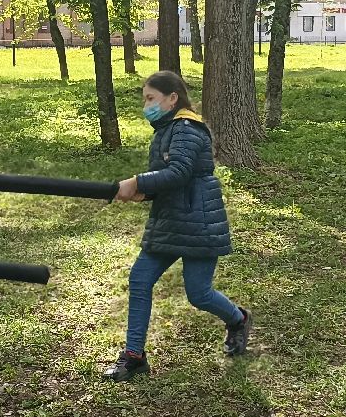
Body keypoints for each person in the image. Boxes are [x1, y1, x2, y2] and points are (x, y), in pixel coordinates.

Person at [105, 71, 249, 381]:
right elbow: (167, 179)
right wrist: (143, 193)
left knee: (198, 294)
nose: (146, 106)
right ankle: (134, 356)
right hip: (170, 220)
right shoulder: (167, 130)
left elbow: (180, 172)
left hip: (198, 222)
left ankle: (238, 320)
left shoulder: (187, 129)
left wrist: (136, 182)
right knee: (140, 279)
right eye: (145, 99)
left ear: (172, 98)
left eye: (151, 99)